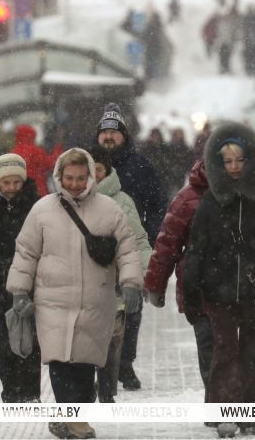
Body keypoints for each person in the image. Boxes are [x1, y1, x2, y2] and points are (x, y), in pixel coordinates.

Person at [6, 148, 142, 440]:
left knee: (84, 364)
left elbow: (128, 249)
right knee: (59, 363)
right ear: (59, 176)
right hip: (52, 301)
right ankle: (76, 423)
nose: (75, 184)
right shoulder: (42, 210)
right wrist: (19, 290)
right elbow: (26, 252)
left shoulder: (109, 209)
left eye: (81, 178)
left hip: (95, 301)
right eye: (69, 178)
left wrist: (131, 282)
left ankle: (68, 417)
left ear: (90, 176)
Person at [183, 122, 255, 439]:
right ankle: (225, 412)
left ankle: (249, 413)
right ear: (218, 164)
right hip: (218, 292)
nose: (234, 167)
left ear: (251, 160)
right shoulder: (211, 201)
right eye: (227, 161)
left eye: (239, 160)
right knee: (225, 352)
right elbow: (197, 248)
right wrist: (191, 288)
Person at [95, 103, 168, 391]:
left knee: (131, 309)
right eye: (104, 132)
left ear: (124, 135)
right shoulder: (86, 164)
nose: (109, 137)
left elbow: (159, 203)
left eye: (114, 132)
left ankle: (125, 363)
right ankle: (100, 364)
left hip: (132, 247)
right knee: (97, 309)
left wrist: (150, 234)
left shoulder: (141, 166)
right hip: (95, 251)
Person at [143, 159, 212, 403]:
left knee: (233, 350)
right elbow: (167, 244)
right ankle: (218, 402)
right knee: (209, 347)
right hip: (198, 289)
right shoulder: (187, 199)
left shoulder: (244, 192)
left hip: (236, 288)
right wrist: (155, 285)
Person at [89, 145, 152, 403]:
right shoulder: (71, 200)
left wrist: (144, 275)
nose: (94, 175)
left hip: (116, 278)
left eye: (98, 169)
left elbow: (138, 239)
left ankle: (112, 379)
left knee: (117, 331)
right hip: (84, 280)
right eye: (89, 170)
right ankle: (91, 379)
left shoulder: (122, 201)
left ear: (107, 170)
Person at [0, 153, 42, 403]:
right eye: (7, 183)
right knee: (3, 341)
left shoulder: (35, 206)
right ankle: (10, 390)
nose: (12, 188)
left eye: (17, 182)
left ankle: (30, 392)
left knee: (30, 339)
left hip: (29, 282)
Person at [11, 124, 53, 197]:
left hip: (20, 191)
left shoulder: (14, 152)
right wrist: (57, 151)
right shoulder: (37, 151)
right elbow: (49, 164)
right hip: (38, 189)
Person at [165, 128, 194, 196]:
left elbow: (189, 160)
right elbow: (166, 159)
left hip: (181, 174)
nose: (179, 136)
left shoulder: (185, 147)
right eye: (177, 134)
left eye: (180, 134)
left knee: (179, 192)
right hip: (170, 174)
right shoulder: (169, 146)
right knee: (172, 193)